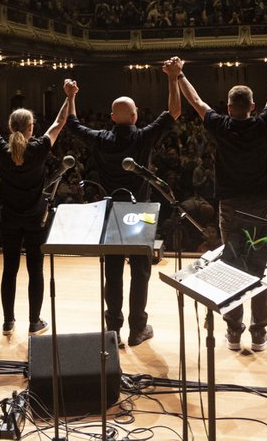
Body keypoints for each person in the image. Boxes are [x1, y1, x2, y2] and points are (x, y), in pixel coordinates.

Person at [177, 53, 267, 352]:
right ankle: (258, 335)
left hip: (229, 208)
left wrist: (178, 75)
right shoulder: (262, 123)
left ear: (228, 107)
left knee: (233, 265)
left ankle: (232, 333)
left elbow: (196, 102)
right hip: (259, 207)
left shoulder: (220, 125)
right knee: (258, 265)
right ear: (253, 107)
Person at [64, 59, 182, 348]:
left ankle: (113, 329)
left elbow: (73, 124)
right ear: (134, 116)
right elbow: (175, 112)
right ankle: (137, 329)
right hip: (139, 212)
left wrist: (70, 97)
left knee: (113, 272)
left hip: (110, 211)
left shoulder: (101, 139)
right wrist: (171, 79)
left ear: (112, 117)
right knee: (140, 272)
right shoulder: (142, 136)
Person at [0, 80, 68, 337]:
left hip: (8, 219)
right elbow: (59, 122)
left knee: (9, 269)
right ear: (31, 128)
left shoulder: (3, 150)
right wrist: (69, 96)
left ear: (10, 127)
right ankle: (34, 321)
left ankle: (8, 321)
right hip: (35, 219)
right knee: (35, 270)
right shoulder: (39, 149)